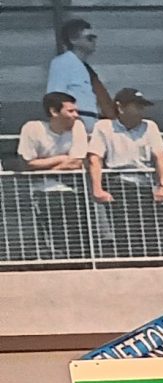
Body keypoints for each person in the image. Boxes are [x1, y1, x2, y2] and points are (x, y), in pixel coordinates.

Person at [88, 88, 163, 259]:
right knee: (124, 232)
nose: (141, 110)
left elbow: (160, 156)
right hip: (118, 183)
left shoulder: (150, 126)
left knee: (150, 233)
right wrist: (97, 188)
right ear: (120, 107)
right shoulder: (103, 127)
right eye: (137, 106)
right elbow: (95, 158)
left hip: (145, 184)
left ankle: (150, 265)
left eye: (142, 106)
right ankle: (130, 263)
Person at [18, 93, 99, 260]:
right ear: (54, 112)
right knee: (51, 236)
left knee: (78, 236)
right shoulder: (32, 128)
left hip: (73, 191)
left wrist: (44, 167)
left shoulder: (78, 126)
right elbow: (27, 163)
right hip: (43, 193)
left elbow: (76, 162)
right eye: (70, 111)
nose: (76, 115)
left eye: (76, 111)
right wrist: (61, 158)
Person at [47, 19, 112, 121]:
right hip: (75, 120)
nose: (94, 42)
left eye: (94, 38)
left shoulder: (87, 68)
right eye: (89, 38)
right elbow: (55, 96)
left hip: (92, 120)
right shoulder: (62, 62)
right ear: (73, 40)